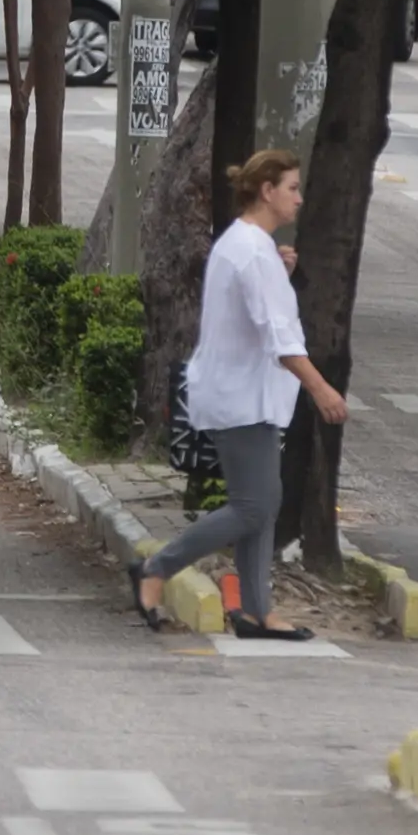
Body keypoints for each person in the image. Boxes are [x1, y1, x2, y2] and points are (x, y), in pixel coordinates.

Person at [135, 146, 351, 640]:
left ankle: (256, 611)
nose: (299, 198)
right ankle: (157, 569)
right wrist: (320, 389)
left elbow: (255, 315)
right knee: (254, 506)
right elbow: (279, 338)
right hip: (242, 397)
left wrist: (281, 274)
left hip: (242, 393)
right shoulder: (254, 252)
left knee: (261, 502)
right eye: (292, 188)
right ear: (268, 191)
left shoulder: (248, 246)